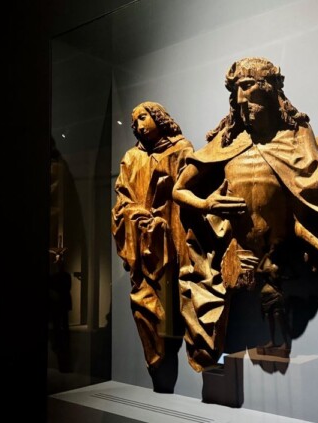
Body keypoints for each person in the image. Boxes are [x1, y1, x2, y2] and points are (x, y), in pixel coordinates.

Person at [172, 57, 318, 370]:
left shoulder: (294, 138)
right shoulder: (227, 142)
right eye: (235, 91)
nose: (240, 98)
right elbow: (179, 190)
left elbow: (302, 207)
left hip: (278, 255)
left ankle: (272, 301)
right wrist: (207, 204)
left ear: (268, 89)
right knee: (212, 328)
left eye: (246, 86)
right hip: (229, 252)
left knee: (274, 317)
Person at [111, 101, 194, 392]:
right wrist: (137, 215)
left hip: (174, 244)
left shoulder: (182, 151)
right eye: (134, 122)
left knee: (175, 301)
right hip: (141, 245)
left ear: (159, 118)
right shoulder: (131, 158)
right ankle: (156, 361)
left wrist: (165, 218)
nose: (138, 125)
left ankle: (170, 359)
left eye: (143, 117)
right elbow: (121, 202)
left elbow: (191, 194)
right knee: (143, 303)